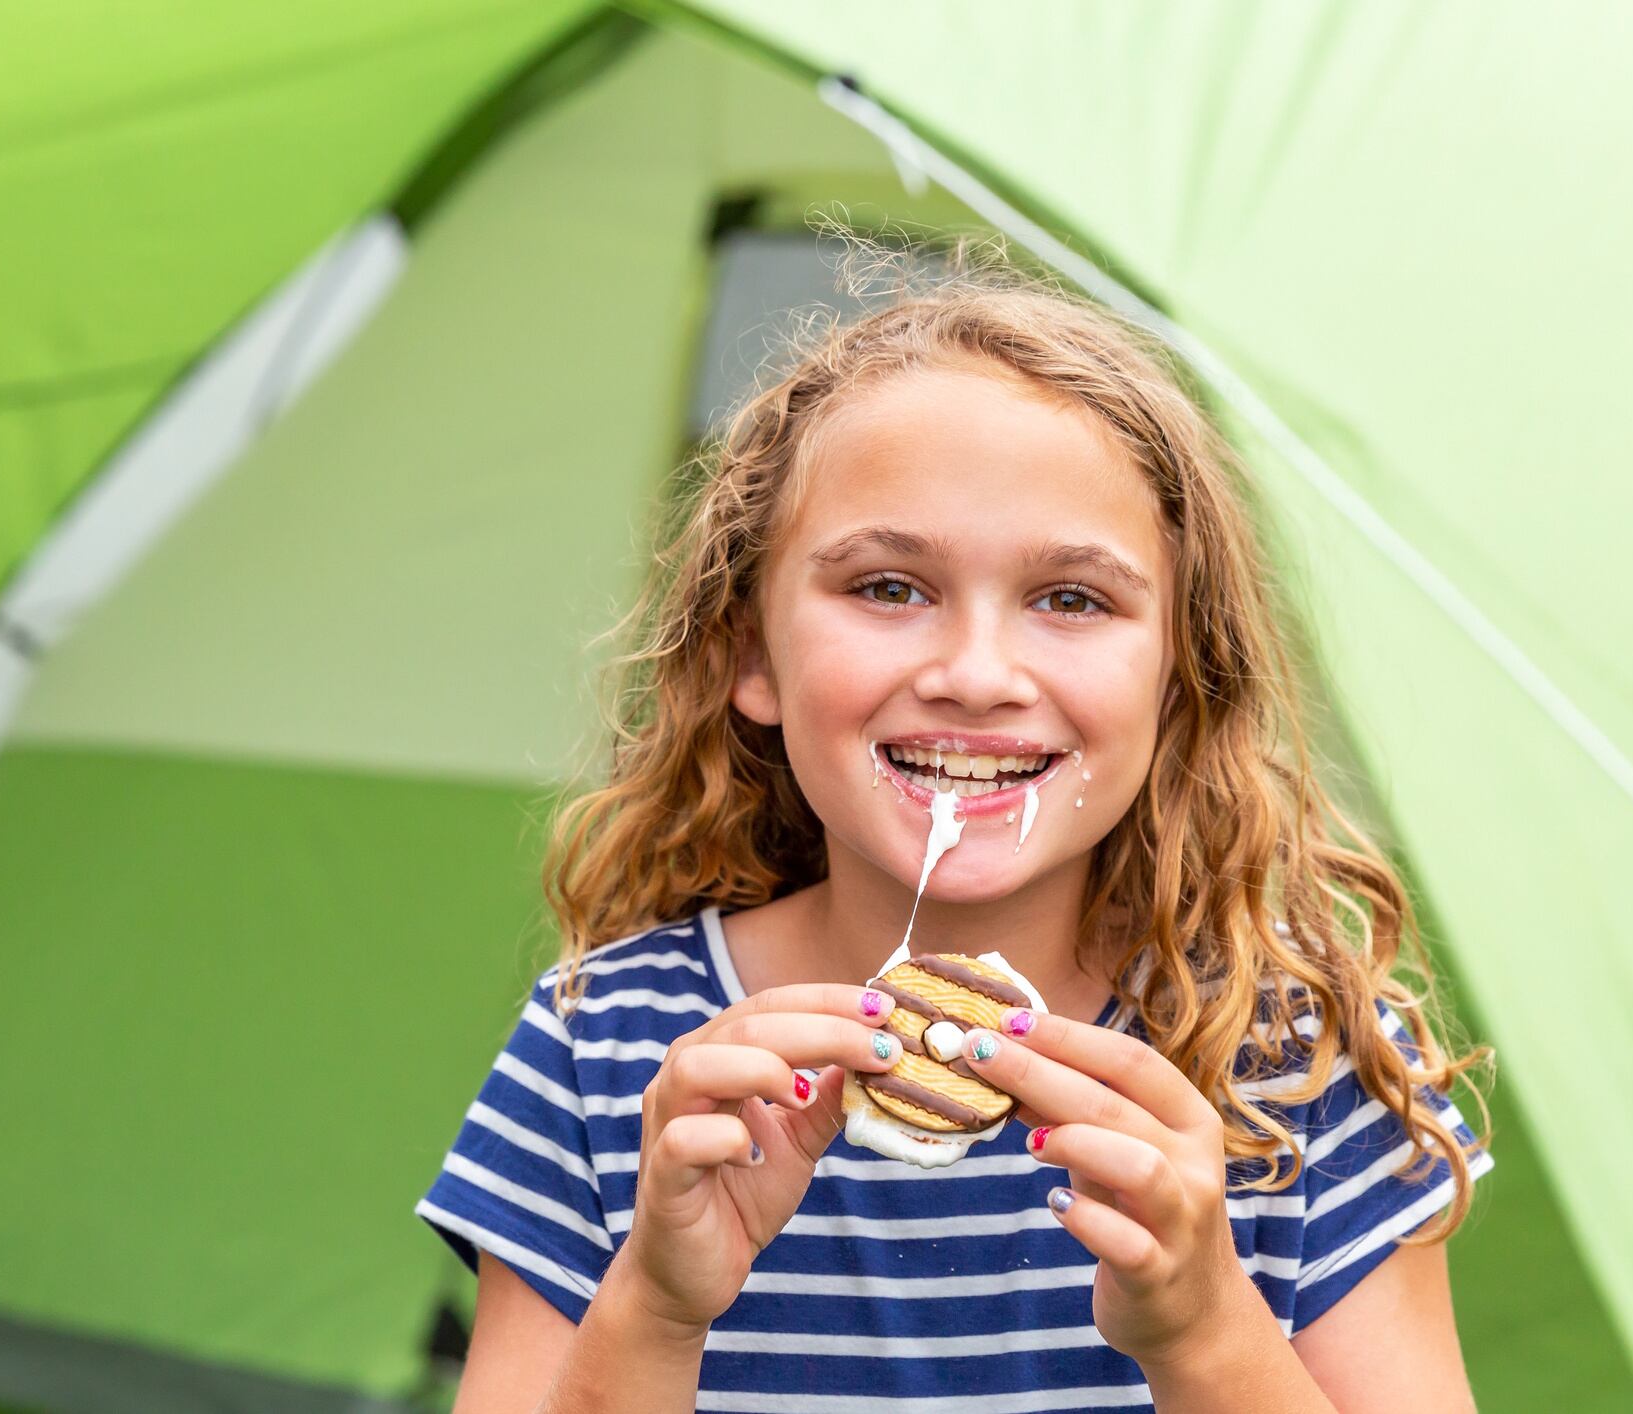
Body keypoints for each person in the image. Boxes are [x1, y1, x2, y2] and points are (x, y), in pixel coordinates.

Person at [417, 235, 1492, 1412]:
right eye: (888, 586)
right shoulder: (605, 1055)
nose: (977, 673)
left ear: (1180, 676)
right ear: (745, 650)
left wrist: (1202, 1328)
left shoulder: (1303, 1064)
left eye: (1071, 599)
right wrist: (657, 1304)